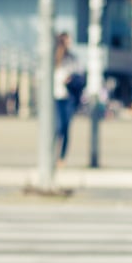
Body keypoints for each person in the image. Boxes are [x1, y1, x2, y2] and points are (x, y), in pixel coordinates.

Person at [53, 32, 81, 165]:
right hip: (55, 98)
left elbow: (80, 76)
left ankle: (62, 158)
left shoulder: (72, 59)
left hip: (69, 98)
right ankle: (52, 154)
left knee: (65, 128)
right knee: (57, 127)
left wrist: (71, 80)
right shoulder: (52, 60)